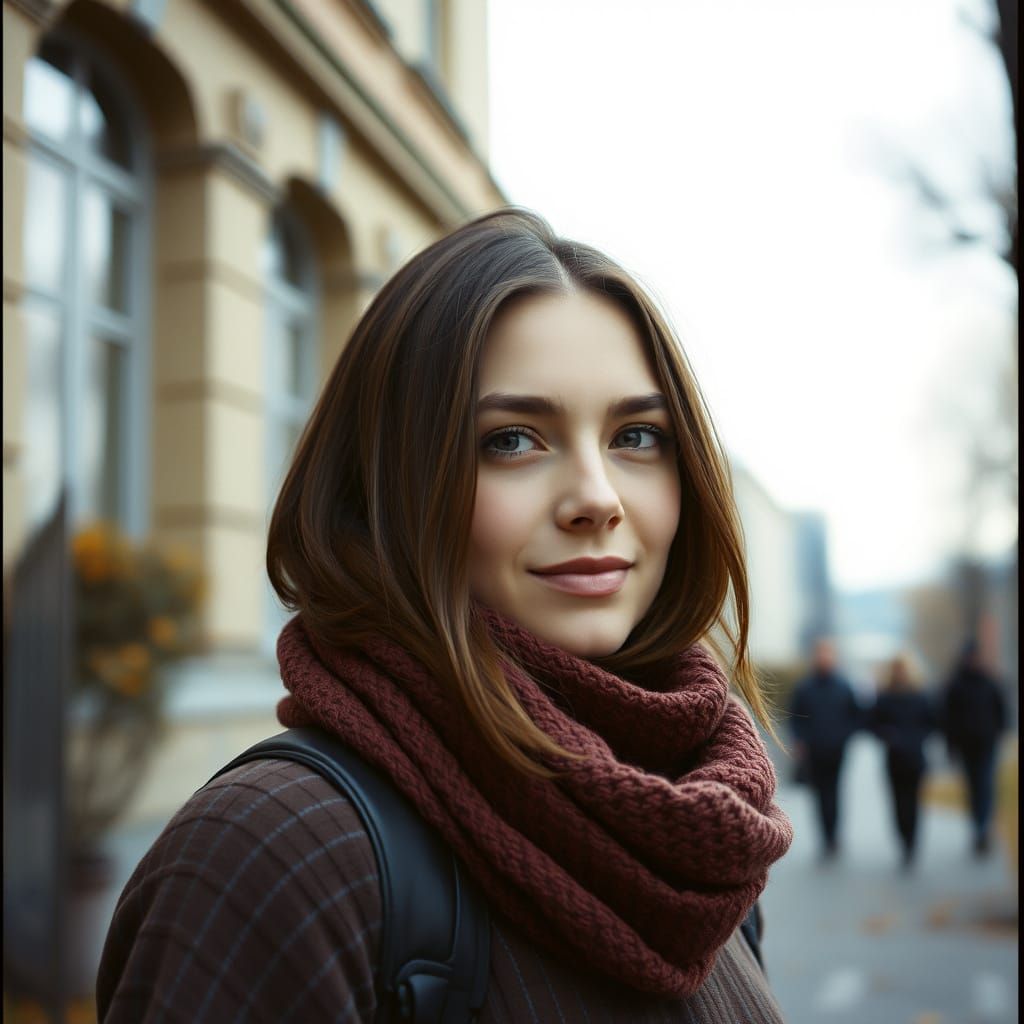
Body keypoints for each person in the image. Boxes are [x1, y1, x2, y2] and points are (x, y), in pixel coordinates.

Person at [97, 209, 794, 1022]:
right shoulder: (270, 856)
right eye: (512, 441)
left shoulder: (700, 850)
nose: (597, 499)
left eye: (637, 436)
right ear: (388, 487)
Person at [788, 638, 861, 860]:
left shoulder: (844, 686)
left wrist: (845, 736)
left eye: (828, 654)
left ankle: (834, 836)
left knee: (835, 791)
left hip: (837, 750)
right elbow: (795, 718)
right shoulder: (805, 687)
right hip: (814, 750)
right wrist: (799, 740)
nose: (824, 658)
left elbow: (856, 716)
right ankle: (825, 838)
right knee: (819, 794)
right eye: (821, 654)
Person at [868, 652, 937, 869]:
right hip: (894, 759)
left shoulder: (920, 696)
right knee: (898, 803)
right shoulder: (885, 697)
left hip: (915, 758)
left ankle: (912, 842)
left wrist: (917, 737)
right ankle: (903, 839)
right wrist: (887, 735)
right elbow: (872, 724)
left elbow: (932, 722)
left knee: (914, 803)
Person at [940, 637, 1007, 856]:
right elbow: (947, 718)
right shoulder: (955, 684)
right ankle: (977, 826)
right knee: (972, 787)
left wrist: (1000, 733)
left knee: (985, 785)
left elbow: (1001, 710)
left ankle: (983, 828)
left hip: (987, 743)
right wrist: (950, 745)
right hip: (965, 744)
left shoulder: (990, 681)